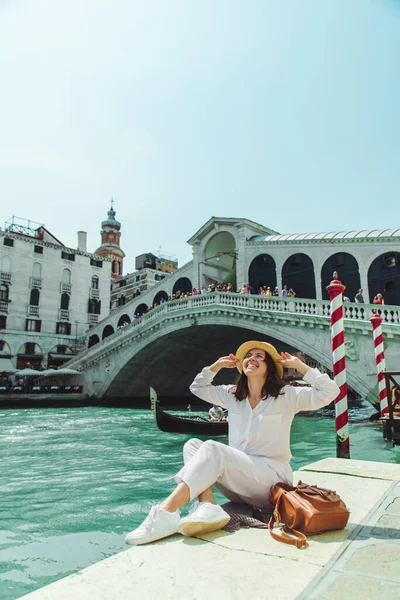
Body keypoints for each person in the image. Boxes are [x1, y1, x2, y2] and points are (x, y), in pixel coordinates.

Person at [125, 341, 339, 546]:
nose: (251, 359)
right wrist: (217, 366)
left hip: (271, 482)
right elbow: (197, 387)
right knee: (192, 445)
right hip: (239, 482)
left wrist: (299, 365)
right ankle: (208, 505)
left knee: (211, 448)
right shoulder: (232, 395)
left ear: (269, 367)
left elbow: (331, 392)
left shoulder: (287, 396)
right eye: (248, 356)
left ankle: (166, 513)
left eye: (259, 356)